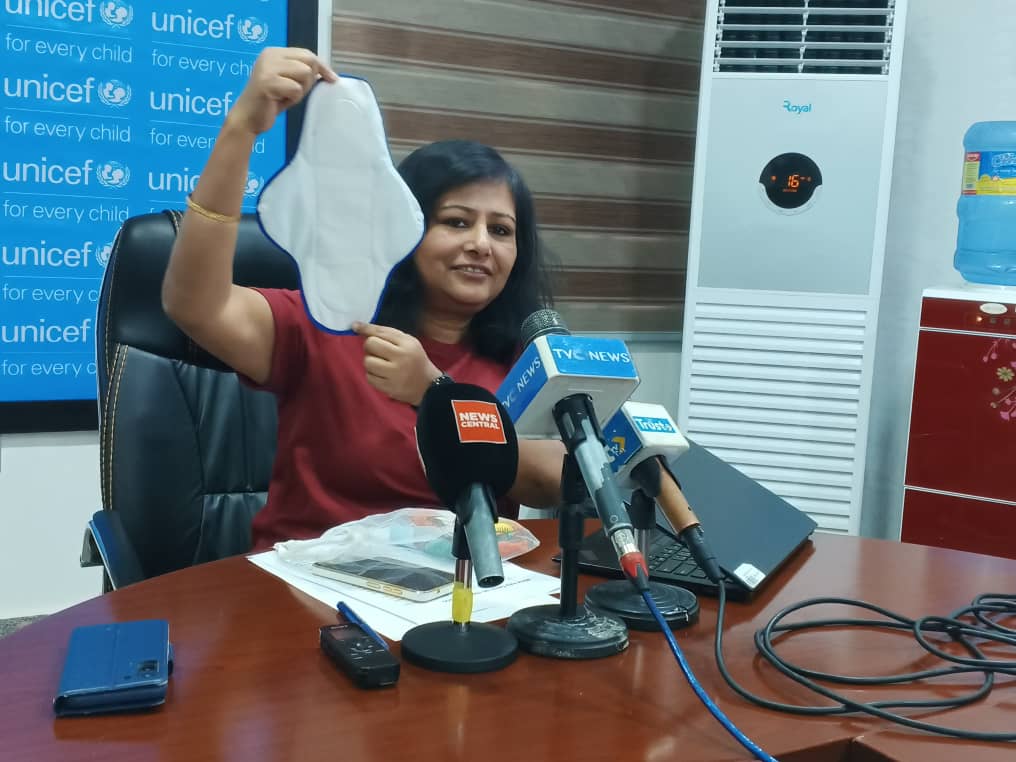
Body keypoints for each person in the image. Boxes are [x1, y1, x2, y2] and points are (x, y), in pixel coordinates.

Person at [162, 47, 565, 550]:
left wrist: (435, 395)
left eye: (501, 230)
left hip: (461, 597)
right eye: (456, 221)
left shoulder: (523, 358)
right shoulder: (327, 323)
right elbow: (195, 304)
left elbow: (556, 476)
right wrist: (241, 128)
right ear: (400, 225)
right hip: (307, 597)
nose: (481, 244)